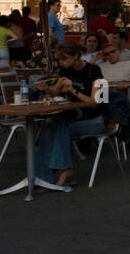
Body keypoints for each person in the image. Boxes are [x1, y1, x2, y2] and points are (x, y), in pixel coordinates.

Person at [33, 41, 110, 188]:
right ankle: (59, 172)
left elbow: (96, 102)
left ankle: (48, 177)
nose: (61, 62)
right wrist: (47, 89)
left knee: (53, 128)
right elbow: (56, 91)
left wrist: (72, 89)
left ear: (76, 56)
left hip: (95, 120)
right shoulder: (65, 71)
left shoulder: (95, 70)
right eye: (60, 59)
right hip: (74, 118)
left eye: (64, 59)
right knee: (51, 128)